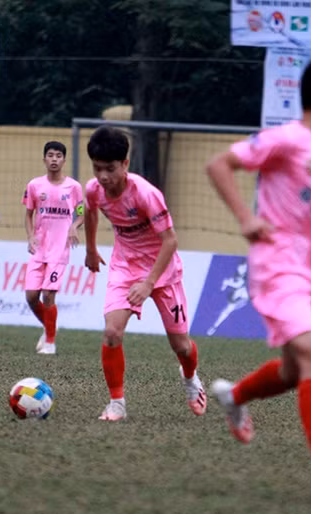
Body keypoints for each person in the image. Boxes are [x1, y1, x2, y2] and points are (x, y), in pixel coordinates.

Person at [206, 60, 311, 493]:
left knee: (296, 371)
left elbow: (309, 215)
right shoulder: (285, 140)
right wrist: (246, 217)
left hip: (309, 272)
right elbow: (218, 165)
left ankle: (234, 396)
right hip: (276, 268)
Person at [84, 126, 206, 421]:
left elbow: (171, 241)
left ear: (125, 164)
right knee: (112, 332)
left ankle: (190, 379)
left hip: (162, 272)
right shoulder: (93, 190)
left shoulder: (146, 195)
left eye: (110, 169)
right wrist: (90, 249)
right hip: (124, 267)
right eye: (97, 168)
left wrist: (149, 283)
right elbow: (89, 212)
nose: (103, 176)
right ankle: (117, 403)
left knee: (181, 346)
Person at [23, 141, 84, 354]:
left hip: (59, 251)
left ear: (64, 160)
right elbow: (28, 215)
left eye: (58, 155)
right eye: (50, 155)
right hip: (39, 249)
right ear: (44, 159)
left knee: (49, 294)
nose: (54, 159)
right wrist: (30, 237)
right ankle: (50, 325)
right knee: (31, 297)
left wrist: (75, 226)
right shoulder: (34, 186)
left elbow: (81, 212)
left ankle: (50, 341)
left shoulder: (74, 187)